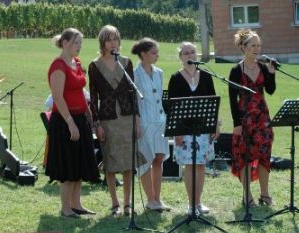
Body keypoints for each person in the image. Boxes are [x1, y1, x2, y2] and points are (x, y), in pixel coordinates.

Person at [45, 28, 100, 218]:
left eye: (81, 43)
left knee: (79, 164)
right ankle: (65, 208)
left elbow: (78, 92)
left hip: (79, 118)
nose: (79, 47)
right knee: (68, 166)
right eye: (76, 43)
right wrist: (70, 122)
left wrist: (87, 112)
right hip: (64, 121)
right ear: (65, 42)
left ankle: (76, 205)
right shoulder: (58, 66)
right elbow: (58, 97)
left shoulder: (76, 62)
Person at [88, 25, 140, 216]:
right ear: (102, 42)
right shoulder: (94, 66)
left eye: (115, 39)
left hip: (127, 119)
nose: (113, 43)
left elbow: (133, 94)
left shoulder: (126, 63)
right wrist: (96, 124)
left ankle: (127, 204)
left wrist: (138, 120)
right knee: (110, 162)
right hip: (107, 120)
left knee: (127, 163)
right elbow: (93, 98)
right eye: (109, 39)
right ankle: (115, 203)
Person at [168, 42, 220, 215]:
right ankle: (191, 205)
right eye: (186, 53)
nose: (190, 55)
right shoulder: (175, 78)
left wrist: (215, 125)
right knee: (190, 165)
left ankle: (198, 202)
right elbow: (172, 108)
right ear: (180, 57)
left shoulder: (206, 76)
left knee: (201, 165)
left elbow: (213, 102)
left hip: (204, 128)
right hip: (184, 130)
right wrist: (178, 132)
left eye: (193, 52)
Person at [228, 28, 276, 207]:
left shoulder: (263, 67)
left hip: (262, 117)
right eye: (253, 45)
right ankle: (247, 195)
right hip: (245, 118)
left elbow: (270, 90)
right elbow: (233, 100)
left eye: (259, 45)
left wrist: (271, 73)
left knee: (264, 155)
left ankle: (265, 194)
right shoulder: (235, 70)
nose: (257, 48)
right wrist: (237, 123)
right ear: (243, 47)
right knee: (245, 157)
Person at [131, 37, 171, 211]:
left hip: (161, 121)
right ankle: (150, 200)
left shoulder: (160, 72)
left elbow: (161, 99)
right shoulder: (134, 74)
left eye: (157, 52)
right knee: (145, 160)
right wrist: (137, 123)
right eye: (153, 52)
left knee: (158, 159)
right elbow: (134, 102)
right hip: (144, 123)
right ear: (143, 54)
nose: (157, 55)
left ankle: (157, 198)